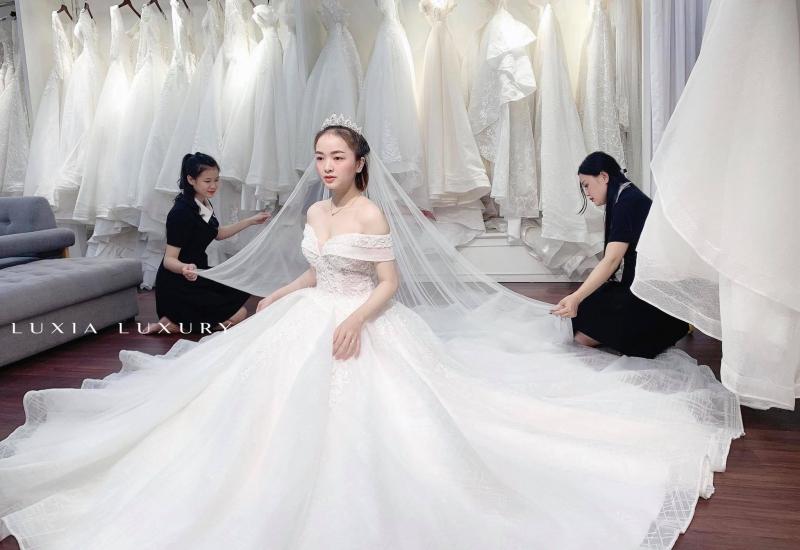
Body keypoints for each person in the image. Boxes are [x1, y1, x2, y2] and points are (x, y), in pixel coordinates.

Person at [0, 117, 742, 549]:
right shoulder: (315, 213)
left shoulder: (370, 213)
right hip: (309, 312)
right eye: (319, 157)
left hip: (361, 319)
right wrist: (274, 296)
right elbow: (315, 270)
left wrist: (355, 319)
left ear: (359, 163)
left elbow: (386, 283)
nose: (326, 168)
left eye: (337, 157)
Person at [552, 151, 690, 358]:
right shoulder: (624, 197)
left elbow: (612, 260)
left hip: (652, 299)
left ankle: (672, 325)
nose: (587, 193)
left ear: (603, 177)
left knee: (581, 335)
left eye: (587, 185)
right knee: (580, 315)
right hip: (641, 288)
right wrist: (578, 298)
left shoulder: (628, 202)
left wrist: (576, 297)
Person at [146, 153, 270, 334]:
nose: (213, 186)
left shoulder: (203, 203)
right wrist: (184, 268)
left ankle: (177, 324)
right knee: (240, 314)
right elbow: (169, 260)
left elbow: (216, 233)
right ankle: (176, 322)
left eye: (216, 180)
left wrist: (251, 221)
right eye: (207, 181)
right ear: (191, 180)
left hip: (199, 274)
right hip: (178, 285)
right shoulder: (180, 213)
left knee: (241, 285)